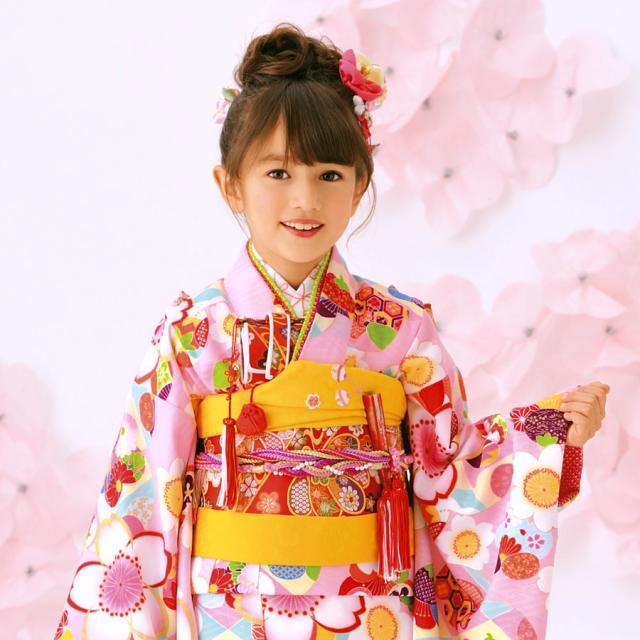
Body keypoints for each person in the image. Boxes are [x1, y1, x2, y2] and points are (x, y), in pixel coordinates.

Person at [54, 22, 610, 640]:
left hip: (370, 610)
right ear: (229, 184)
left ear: (360, 184)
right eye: (277, 174)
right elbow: (143, 494)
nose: (305, 199)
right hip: (230, 611)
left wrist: (547, 436)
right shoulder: (191, 334)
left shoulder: (401, 330)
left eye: (328, 175)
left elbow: (450, 470)